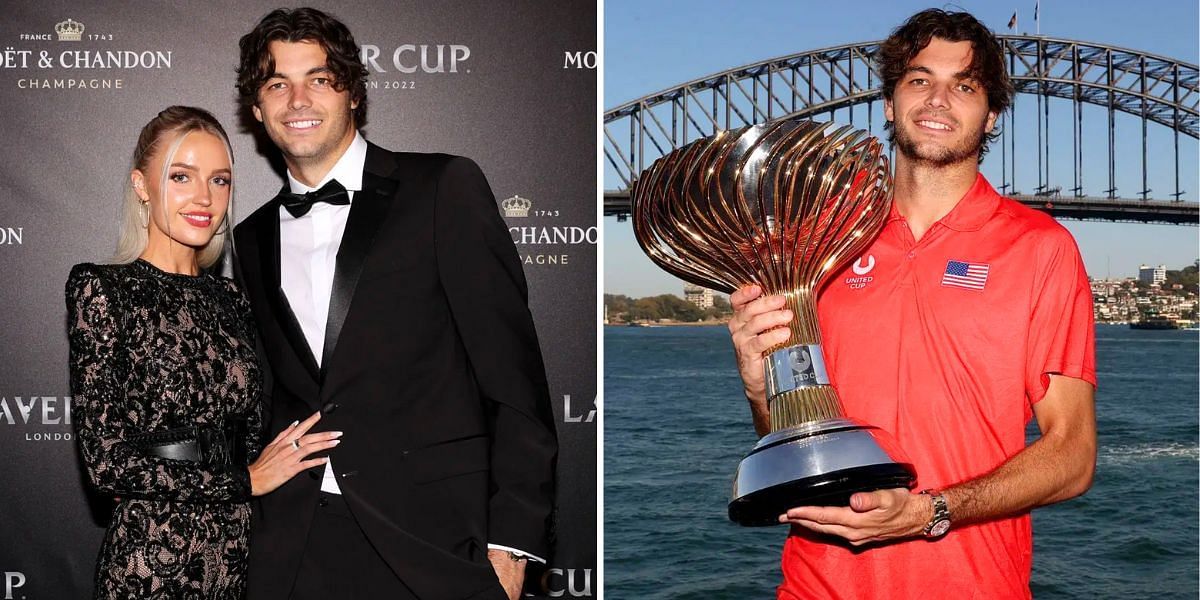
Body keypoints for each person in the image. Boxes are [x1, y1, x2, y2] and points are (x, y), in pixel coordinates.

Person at [726, 10, 1096, 599]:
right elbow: (793, 441)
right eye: (919, 80)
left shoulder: (1041, 249)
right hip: (816, 586)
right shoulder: (816, 243)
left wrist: (931, 512)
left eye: (965, 86)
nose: (939, 100)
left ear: (991, 114)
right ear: (890, 104)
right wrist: (758, 387)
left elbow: (1073, 456)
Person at [231, 8, 557, 600]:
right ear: (257, 109)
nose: (297, 98)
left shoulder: (443, 189)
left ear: (352, 93)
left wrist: (512, 547)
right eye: (277, 83)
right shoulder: (250, 236)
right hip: (297, 539)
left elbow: (514, 382)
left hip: (433, 543)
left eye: (319, 79)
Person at [66, 106, 338, 598]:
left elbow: (255, 430)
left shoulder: (233, 298)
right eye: (180, 176)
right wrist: (244, 482)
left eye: (220, 180)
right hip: (152, 559)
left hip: (237, 559)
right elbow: (106, 464)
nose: (204, 198)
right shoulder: (104, 290)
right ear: (142, 185)